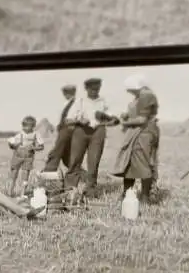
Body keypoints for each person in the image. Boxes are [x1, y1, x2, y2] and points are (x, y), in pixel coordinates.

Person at [64, 78, 120, 199]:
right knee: (74, 161)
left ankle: (90, 192)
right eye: (92, 89)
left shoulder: (103, 102)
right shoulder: (80, 101)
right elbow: (68, 120)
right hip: (81, 131)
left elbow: (113, 118)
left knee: (94, 163)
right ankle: (69, 190)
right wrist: (79, 120)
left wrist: (112, 121)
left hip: (98, 131)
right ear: (87, 89)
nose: (95, 91)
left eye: (97, 88)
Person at [110, 74, 160, 202]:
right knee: (129, 163)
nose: (128, 91)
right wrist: (126, 114)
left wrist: (124, 123)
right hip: (137, 132)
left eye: (129, 89)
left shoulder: (146, 96)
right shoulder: (140, 97)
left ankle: (145, 197)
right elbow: (137, 114)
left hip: (143, 133)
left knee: (142, 164)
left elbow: (142, 120)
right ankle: (127, 194)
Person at [41, 84, 85, 175]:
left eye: (69, 92)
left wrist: (75, 121)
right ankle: (83, 175)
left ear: (74, 92)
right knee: (66, 156)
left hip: (71, 128)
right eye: (65, 92)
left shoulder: (79, 102)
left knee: (57, 150)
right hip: (63, 128)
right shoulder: (65, 104)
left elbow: (82, 115)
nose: (67, 94)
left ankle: (48, 171)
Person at [7, 115, 45, 197]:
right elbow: (12, 146)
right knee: (14, 173)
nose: (25, 128)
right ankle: (10, 192)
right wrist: (11, 144)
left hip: (28, 156)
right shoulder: (19, 134)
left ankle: (22, 194)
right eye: (24, 125)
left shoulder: (36, 134)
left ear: (33, 126)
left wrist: (34, 147)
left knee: (25, 175)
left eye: (28, 126)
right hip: (18, 155)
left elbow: (42, 146)